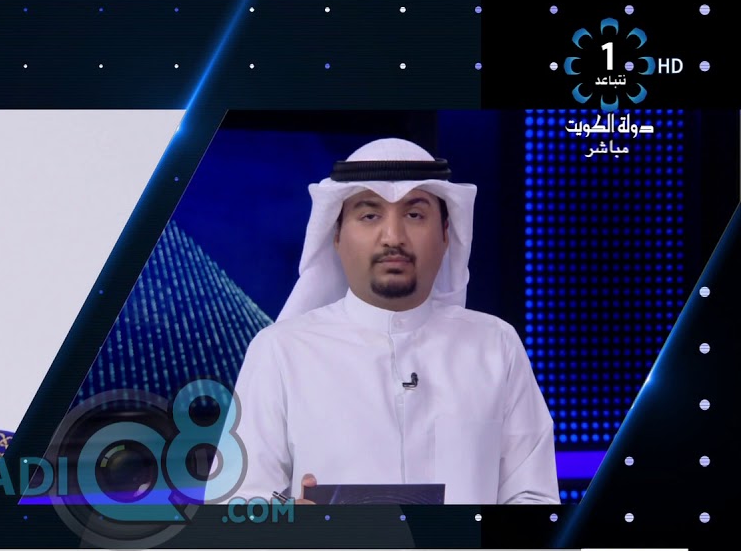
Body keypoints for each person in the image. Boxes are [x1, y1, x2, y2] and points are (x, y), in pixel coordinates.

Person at [218, 137, 559, 505]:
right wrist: (287, 525)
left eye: (414, 215)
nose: (393, 237)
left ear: (446, 234)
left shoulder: (495, 346)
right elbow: (233, 507)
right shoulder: (280, 351)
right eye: (370, 215)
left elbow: (534, 499)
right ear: (336, 234)